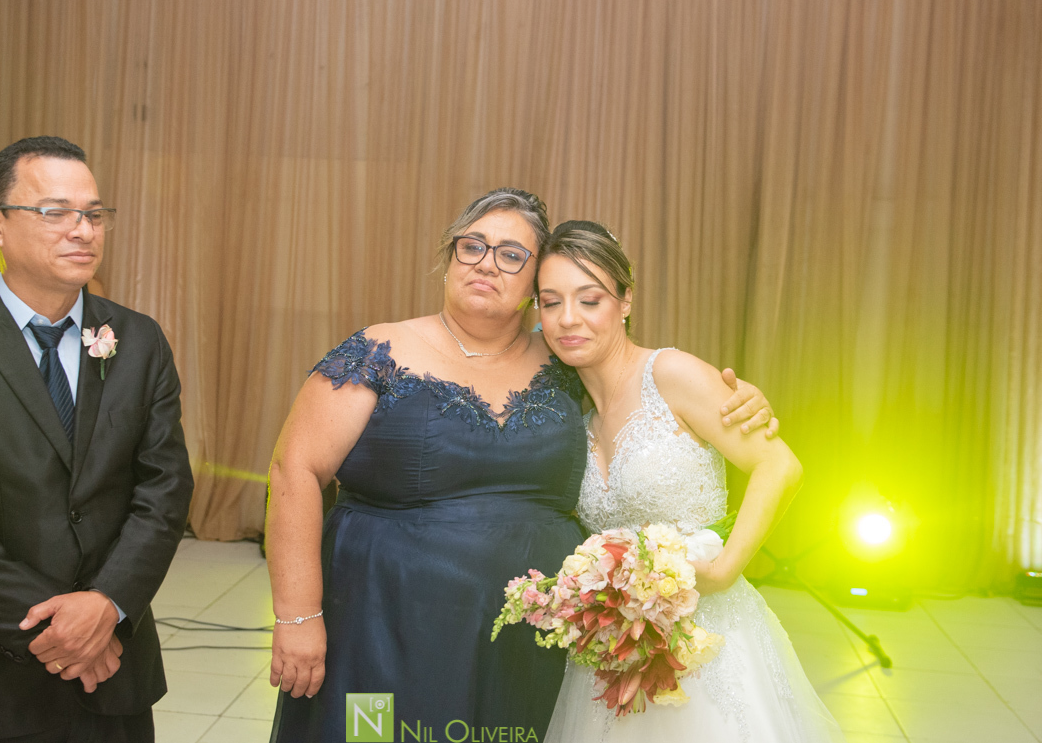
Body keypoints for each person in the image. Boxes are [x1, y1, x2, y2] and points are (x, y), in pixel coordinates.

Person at [266, 189, 778, 742]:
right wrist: (297, 615)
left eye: (511, 254)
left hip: (529, 640)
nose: (487, 262)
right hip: (382, 625)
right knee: (376, 735)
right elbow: (294, 471)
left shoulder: (565, 358)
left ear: (533, 285)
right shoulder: (377, 350)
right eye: (472, 247)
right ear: (448, 258)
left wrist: (744, 401)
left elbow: (644, 389)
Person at [0, 136, 195, 743]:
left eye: (94, 213)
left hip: (114, 668)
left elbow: (165, 489)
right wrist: (60, 630)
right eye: (55, 212)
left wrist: (105, 605)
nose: (82, 230)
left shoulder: (138, 340)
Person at [536, 221, 845, 742]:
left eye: (590, 300)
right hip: (618, 642)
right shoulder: (575, 415)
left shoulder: (670, 374)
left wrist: (725, 569)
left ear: (626, 299)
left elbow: (779, 466)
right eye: (550, 302)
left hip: (711, 634)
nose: (569, 319)